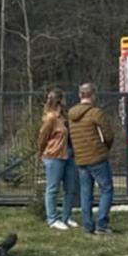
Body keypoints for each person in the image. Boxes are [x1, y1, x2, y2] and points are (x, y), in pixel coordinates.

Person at [66, 82, 118, 235]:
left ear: (79, 95)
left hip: (81, 158)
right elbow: (108, 135)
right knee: (106, 189)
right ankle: (102, 224)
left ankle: (88, 225)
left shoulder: (71, 114)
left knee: (86, 192)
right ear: (93, 95)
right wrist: (105, 148)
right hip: (97, 157)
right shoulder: (96, 112)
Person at [37, 89, 79, 231]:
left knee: (70, 188)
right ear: (59, 100)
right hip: (54, 155)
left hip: (68, 154)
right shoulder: (51, 118)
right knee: (53, 188)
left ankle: (66, 216)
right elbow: (43, 137)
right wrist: (42, 153)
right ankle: (52, 218)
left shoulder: (63, 117)